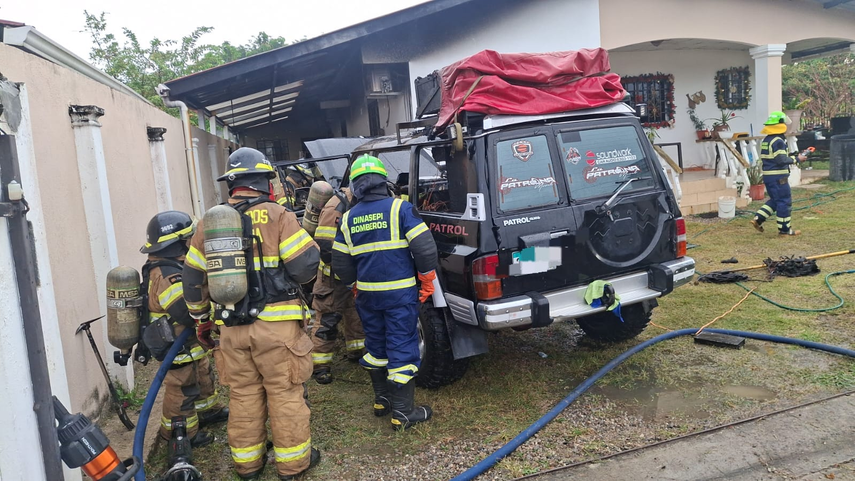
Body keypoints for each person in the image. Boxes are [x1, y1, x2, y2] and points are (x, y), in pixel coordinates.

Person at [183, 147, 321, 481]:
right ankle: (291, 466)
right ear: (264, 181)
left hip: (231, 330)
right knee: (284, 393)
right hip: (277, 330)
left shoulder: (209, 224)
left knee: (243, 395)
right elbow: (305, 267)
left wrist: (202, 321)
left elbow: (191, 280)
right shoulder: (279, 215)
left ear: (232, 185)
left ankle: (248, 465)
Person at [332, 155, 439, 430]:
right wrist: (427, 281)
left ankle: (382, 401)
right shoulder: (400, 209)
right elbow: (425, 249)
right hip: (400, 295)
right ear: (384, 182)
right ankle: (403, 414)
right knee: (402, 345)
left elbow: (340, 262)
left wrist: (353, 286)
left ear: (355, 186)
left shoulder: (347, 219)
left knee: (377, 345)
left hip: (367, 296)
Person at [139, 211, 228, 446]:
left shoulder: (173, 265)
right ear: (178, 242)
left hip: (187, 343)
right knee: (182, 387)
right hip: (173, 343)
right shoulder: (167, 274)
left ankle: (207, 411)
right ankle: (181, 434)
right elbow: (183, 312)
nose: (192, 242)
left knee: (201, 374)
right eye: (189, 237)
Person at [310, 189, 365, 384]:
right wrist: (346, 269)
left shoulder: (364, 200)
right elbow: (325, 248)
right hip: (332, 277)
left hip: (354, 274)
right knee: (328, 318)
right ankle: (320, 365)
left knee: (355, 312)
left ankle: (357, 351)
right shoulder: (335, 207)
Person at [751, 111, 807, 236]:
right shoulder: (778, 141)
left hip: (769, 176)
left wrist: (792, 156)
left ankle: (758, 219)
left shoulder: (768, 139)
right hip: (779, 177)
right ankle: (785, 230)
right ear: (780, 125)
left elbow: (775, 157)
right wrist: (797, 159)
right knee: (784, 201)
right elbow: (781, 160)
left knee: (775, 200)